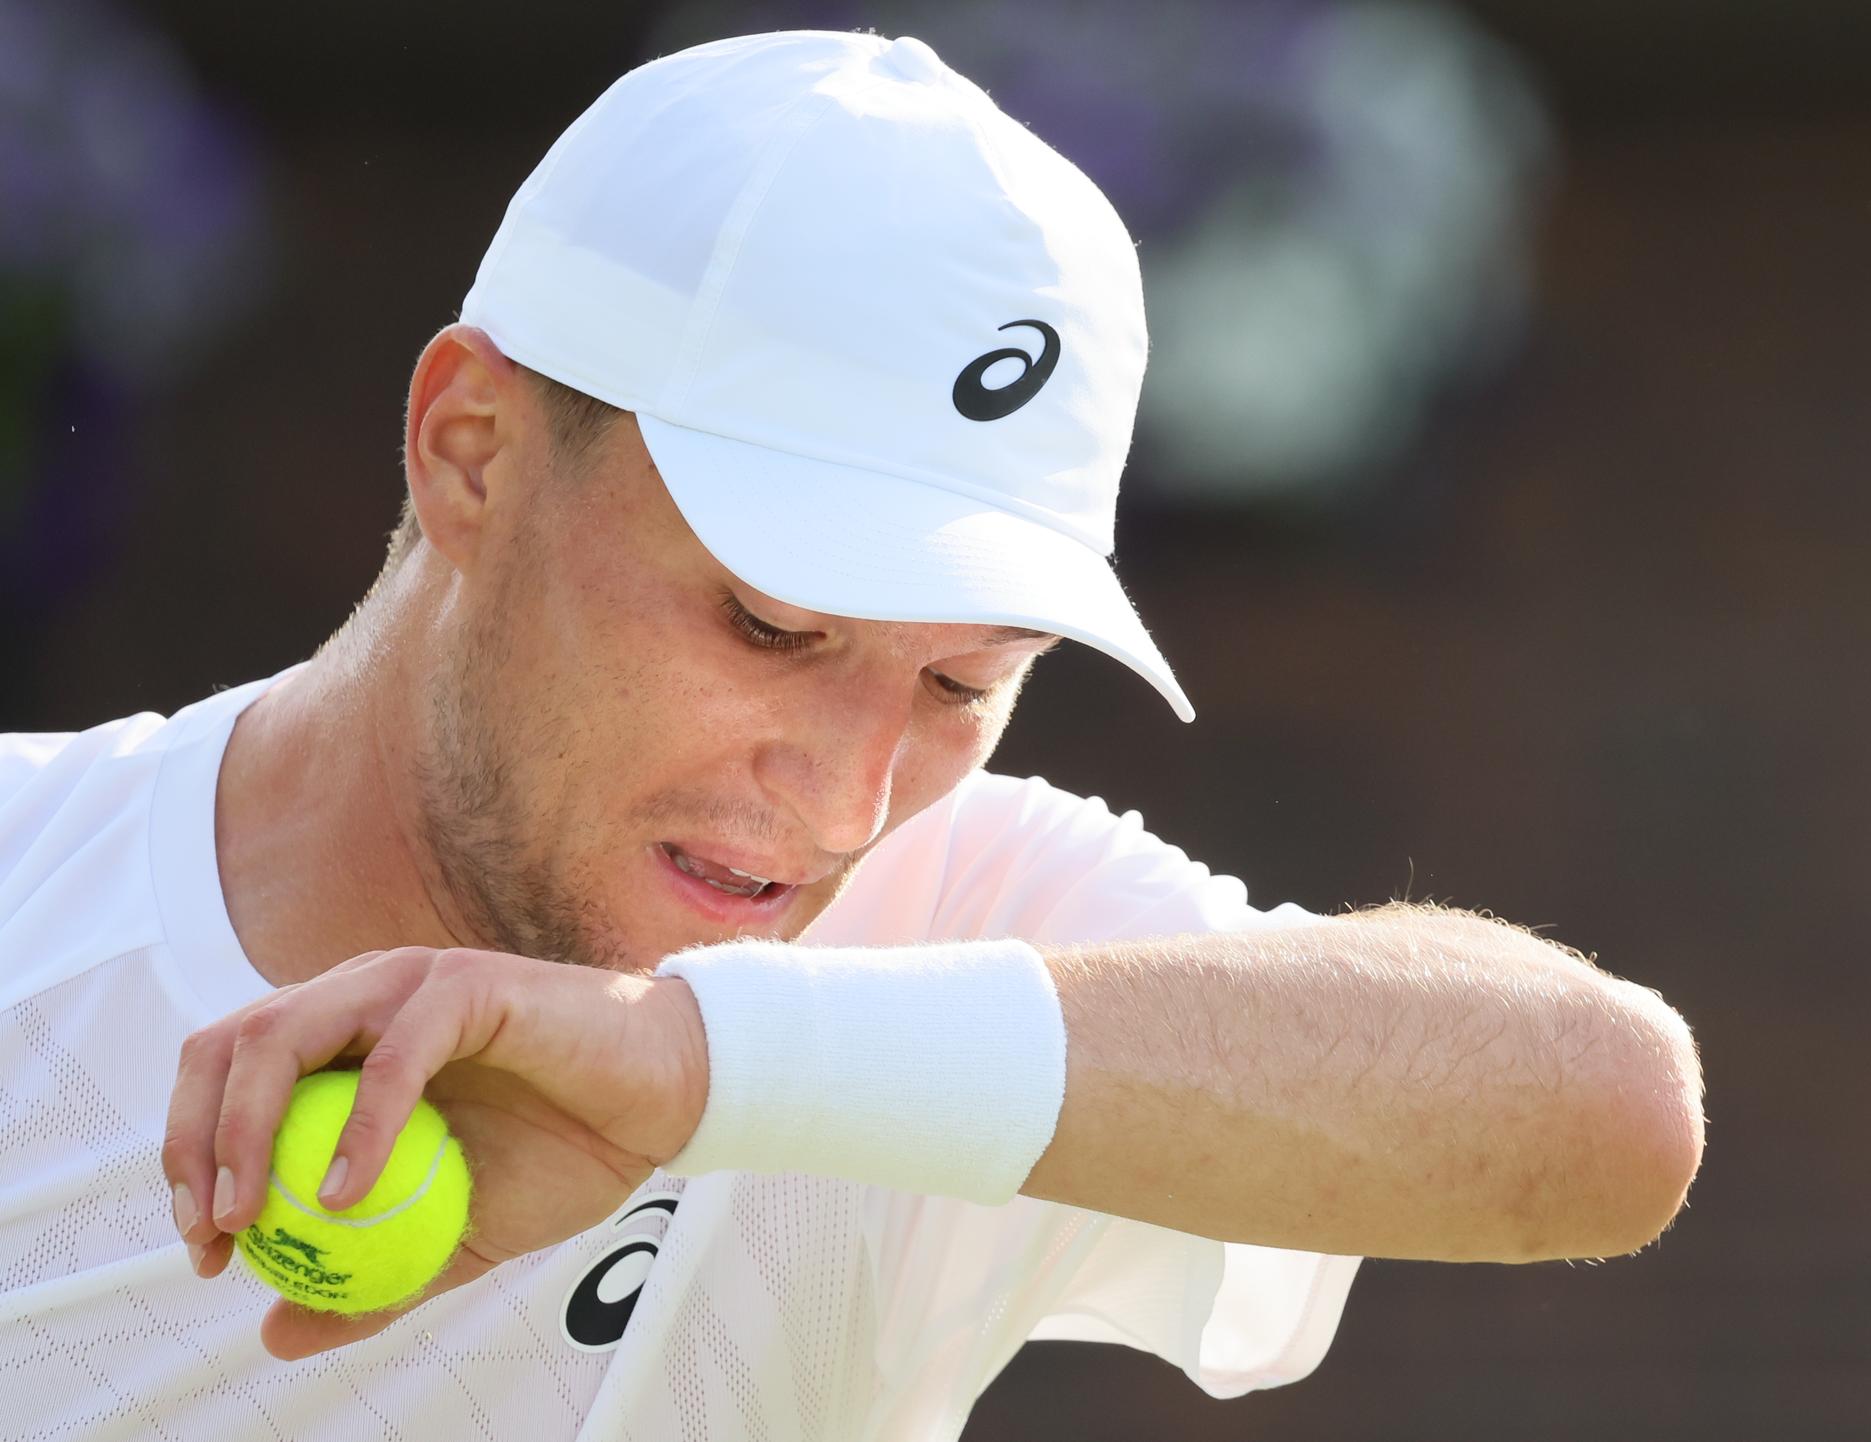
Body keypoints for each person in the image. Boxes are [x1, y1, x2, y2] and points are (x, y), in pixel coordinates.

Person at [0, 29, 1704, 1440]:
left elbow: (1608, 1110)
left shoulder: (942, 937)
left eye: (964, 681)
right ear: (472, 451)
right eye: (772, 626)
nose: (846, 796)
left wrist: (704, 1066)